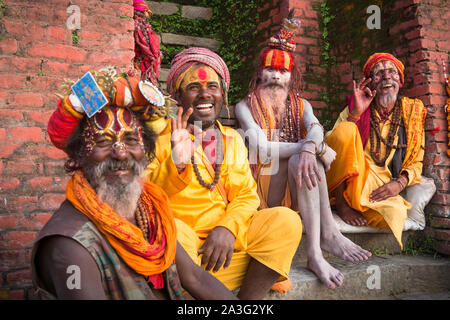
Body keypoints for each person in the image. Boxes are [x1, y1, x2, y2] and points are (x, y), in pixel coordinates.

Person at [31, 68, 237, 300]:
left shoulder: (151, 211)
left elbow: (195, 278)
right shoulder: (69, 245)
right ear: (79, 155)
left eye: (131, 140)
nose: (121, 153)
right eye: (103, 141)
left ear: (145, 149)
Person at [147, 47, 302, 299]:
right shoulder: (157, 137)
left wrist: (227, 228)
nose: (205, 94)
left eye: (212, 86)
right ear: (177, 96)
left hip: (227, 242)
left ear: (223, 94)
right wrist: (176, 163)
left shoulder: (232, 138)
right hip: (184, 249)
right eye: (194, 87)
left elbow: (246, 196)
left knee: (286, 221)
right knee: (169, 230)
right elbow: (147, 197)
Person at [235, 15, 371, 290]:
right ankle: (326, 236)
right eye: (270, 70)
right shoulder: (244, 106)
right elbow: (262, 148)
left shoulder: (302, 105)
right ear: (259, 74)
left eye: (283, 71)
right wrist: (312, 147)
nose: (275, 76)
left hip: (298, 185)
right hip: (264, 188)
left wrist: (311, 147)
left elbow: (316, 129)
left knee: (305, 158)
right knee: (305, 156)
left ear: (291, 77)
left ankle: (317, 250)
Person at [326, 52, 427, 249]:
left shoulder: (411, 112)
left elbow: (417, 160)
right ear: (371, 82)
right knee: (346, 129)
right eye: (379, 74)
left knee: (394, 215)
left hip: (380, 187)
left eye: (392, 72)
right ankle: (342, 203)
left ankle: (360, 206)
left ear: (400, 80)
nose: (387, 77)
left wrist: (399, 184)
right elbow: (332, 143)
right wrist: (355, 115)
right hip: (351, 178)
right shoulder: (356, 105)